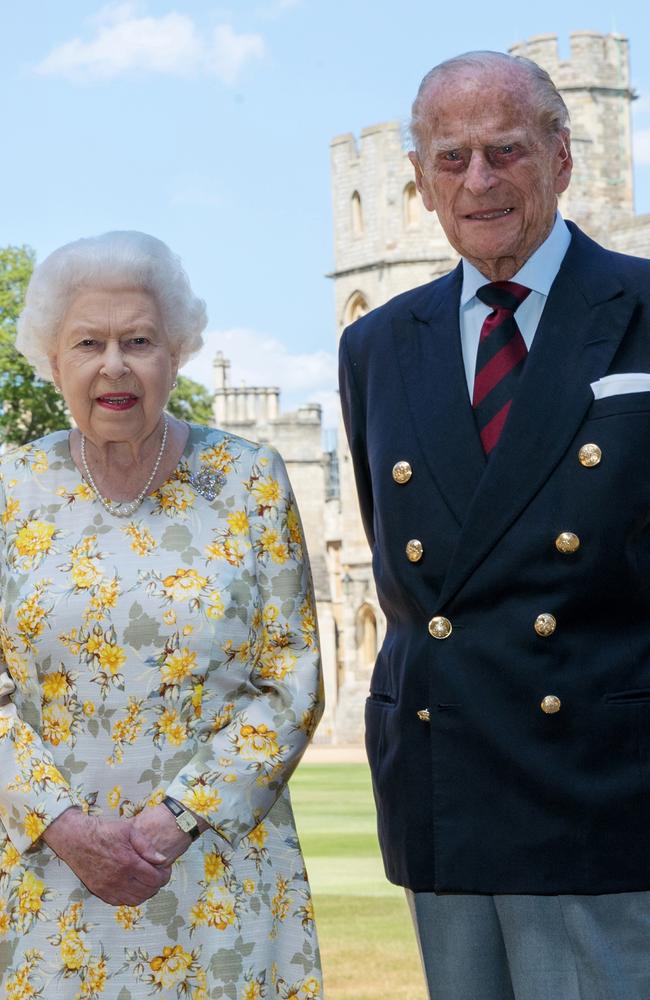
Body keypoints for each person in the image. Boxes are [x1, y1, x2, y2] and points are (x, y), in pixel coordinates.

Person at [339, 49, 650, 1000]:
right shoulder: (377, 345)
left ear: (563, 157)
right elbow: (404, 564)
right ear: (421, 185)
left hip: (604, 787)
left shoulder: (642, 308)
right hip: (446, 779)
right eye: (450, 158)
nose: (478, 181)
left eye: (504, 151)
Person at [0, 231, 324, 998]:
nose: (114, 365)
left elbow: (292, 681)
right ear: (53, 362)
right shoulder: (9, 490)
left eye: (138, 340)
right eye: (88, 343)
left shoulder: (250, 481)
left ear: (175, 353)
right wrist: (68, 828)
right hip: (48, 882)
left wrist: (176, 819)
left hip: (219, 878)